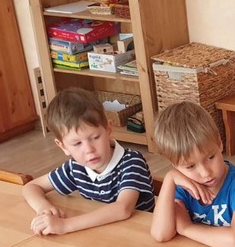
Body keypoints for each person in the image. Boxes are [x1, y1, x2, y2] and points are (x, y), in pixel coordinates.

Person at [22, 88, 156, 236]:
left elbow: (122, 209)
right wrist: (43, 208)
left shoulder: (132, 162)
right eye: (77, 143)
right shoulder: (76, 167)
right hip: (103, 235)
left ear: (108, 130)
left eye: (95, 137)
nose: (89, 150)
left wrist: (65, 225)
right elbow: (31, 187)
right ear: (63, 146)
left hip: (139, 236)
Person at [150, 102, 235, 247]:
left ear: (219, 142)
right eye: (190, 166)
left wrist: (186, 228)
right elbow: (160, 234)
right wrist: (170, 179)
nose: (205, 173)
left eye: (211, 157)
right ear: (174, 164)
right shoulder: (182, 187)